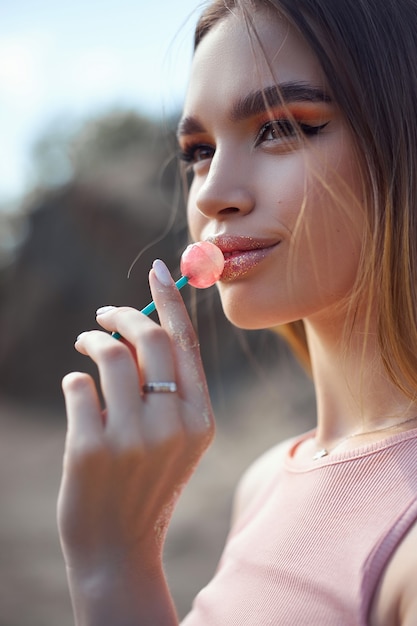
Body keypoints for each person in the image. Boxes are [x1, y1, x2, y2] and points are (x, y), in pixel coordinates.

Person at [57, 0, 417, 623]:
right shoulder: (261, 484)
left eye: (280, 126)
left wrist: (113, 565)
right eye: (197, 150)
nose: (213, 193)